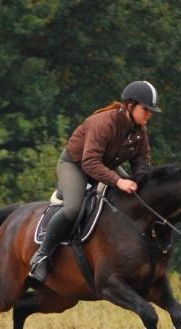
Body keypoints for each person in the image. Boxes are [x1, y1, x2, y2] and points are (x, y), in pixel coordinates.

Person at [28, 80, 161, 283]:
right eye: (146, 109)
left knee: (132, 196)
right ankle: (41, 256)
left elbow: (141, 163)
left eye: (151, 110)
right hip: (75, 165)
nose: (149, 114)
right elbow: (90, 162)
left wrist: (145, 185)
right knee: (73, 208)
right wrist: (118, 181)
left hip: (104, 165)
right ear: (130, 105)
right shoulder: (104, 123)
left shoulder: (140, 131)